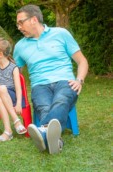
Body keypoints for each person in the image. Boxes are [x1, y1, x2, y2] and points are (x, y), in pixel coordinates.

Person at [14, 5, 89, 154]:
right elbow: (15, 71)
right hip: (40, 85)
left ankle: (43, 132)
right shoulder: (20, 46)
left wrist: (79, 80)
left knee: (61, 99)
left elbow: (82, 61)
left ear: (34, 19)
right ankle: (55, 140)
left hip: (65, 81)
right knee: (43, 106)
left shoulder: (61, 34)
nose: (18, 27)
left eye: (21, 22)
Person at [0, 37, 27, 141]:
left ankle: (8, 131)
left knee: (0, 94)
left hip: (12, 95)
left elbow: (18, 88)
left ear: (0, 54)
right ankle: (16, 122)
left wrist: (18, 103)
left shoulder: (14, 68)